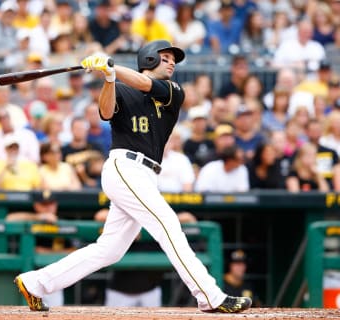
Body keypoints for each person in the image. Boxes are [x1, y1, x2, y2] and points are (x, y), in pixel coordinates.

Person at [13, 40, 252, 313]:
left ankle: (36, 282)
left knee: (110, 250)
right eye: (165, 57)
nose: (172, 62)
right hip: (124, 167)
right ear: (149, 59)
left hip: (146, 174)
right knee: (168, 224)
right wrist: (109, 78)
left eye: (173, 58)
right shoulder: (122, 89)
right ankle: (209, 295)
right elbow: (105, 111)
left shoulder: (174, 91)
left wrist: (111, 65)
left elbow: (144, 84)